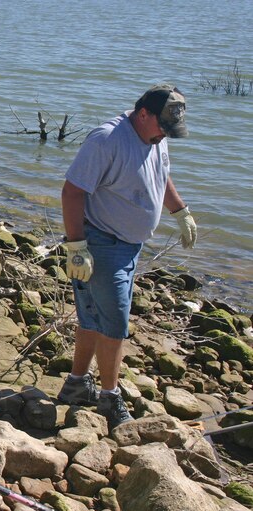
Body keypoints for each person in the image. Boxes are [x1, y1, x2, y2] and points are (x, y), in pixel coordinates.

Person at [57, 84, 198, 428]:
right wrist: (76, 247)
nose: (165, 135)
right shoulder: (106, 141)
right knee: (115, 325)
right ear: (143, 113)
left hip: (128, 248)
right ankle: (109, 398)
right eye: (163, 127)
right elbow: (72, 192)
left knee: (92, 316)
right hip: (101, 244)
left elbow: (161, 176)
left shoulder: (155, 137)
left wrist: (180, 212)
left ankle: (76, 384)